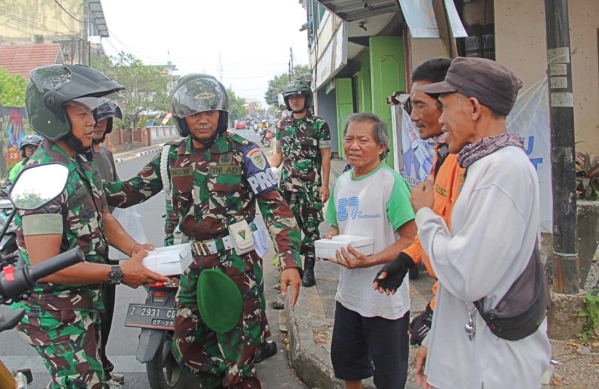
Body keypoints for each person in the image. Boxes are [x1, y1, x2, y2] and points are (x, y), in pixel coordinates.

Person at [104, 73, 303, 389]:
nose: (203, 120)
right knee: (188, 348)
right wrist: (81, 186)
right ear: (183, 118)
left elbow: (274, 205)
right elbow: (131, 191)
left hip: (236, 263)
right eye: (195, 113)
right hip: (190, 265)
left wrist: (290, 261)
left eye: (210, 112)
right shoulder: (170, 156)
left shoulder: (244, 152)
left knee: (240, 355)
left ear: (221, 114)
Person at [15, 64, 168, 389]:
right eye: (81, 112)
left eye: (92, 112)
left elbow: (104, 217)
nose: (92, 121)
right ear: (53, 115)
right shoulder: (42, 176)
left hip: (84, 303)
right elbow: (44, 267)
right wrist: (119, 273)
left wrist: (135, 249)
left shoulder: (80, 161)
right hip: (58, 313)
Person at [410, 57, 551, 389]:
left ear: (473, 108)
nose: (440, 120)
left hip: (491, 366)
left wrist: (426, 215)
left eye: (444, 108)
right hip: (471, 355)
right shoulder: (485, 165)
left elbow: (465, 275)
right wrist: (436, 340)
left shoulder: (503, 171)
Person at [372, 58, 465, 346]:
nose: (412, 117)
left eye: (421, 105)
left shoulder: (469, 163)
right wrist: (406, 259)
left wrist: (436, 311)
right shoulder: (445, 154)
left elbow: (459, 249)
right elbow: (439, 223)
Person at [323, 112, 417, 389]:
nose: (354, 146)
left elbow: (410, 239)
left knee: (389, 373)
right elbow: (336, 227)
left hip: (384, 297)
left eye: (363, 140)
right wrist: (330, 240)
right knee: (348, 364)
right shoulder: (342, 182)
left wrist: (371, 261)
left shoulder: (390, 183)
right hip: (349, 294)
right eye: (349, 139)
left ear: (381, 146)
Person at [270, 79, 331, 287]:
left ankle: (309, 269)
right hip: (287, 187)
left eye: (298, 97)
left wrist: (325, 185)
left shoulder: (319, 125)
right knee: (288, 228)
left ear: (306, 98)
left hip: (310, 186)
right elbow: (278, 153)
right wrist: (270, 172)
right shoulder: (281, 126)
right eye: (291, 98)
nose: (295, 101)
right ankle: (292, 267)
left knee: (311, 228)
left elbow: (325, 156)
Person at [90, 100, 125, 386]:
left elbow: (113, 196)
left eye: (104, 122)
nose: (99, 126)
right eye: (94, 120)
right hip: (80, 259)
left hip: (102, 247)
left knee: (105, 311)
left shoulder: (104, 156)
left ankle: (104, 367)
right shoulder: (72, 159)